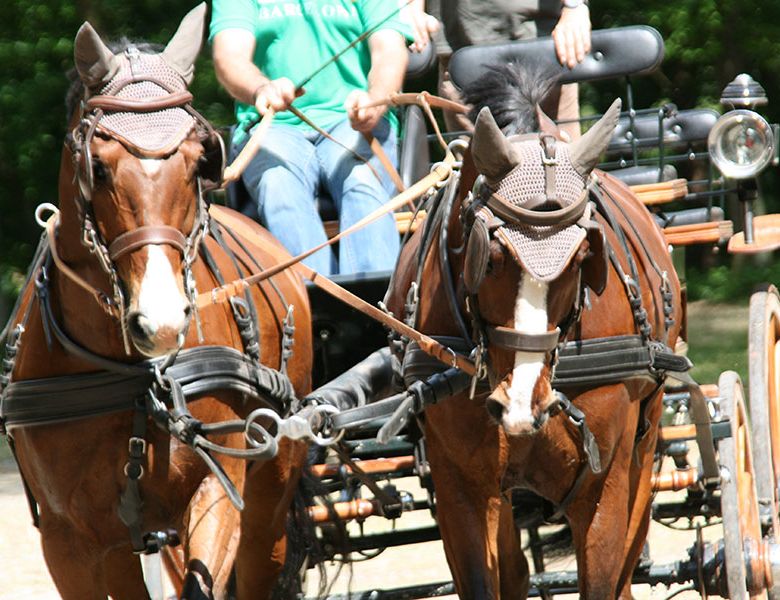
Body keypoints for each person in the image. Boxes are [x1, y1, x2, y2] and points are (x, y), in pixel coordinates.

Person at [210, 1, 414, 275]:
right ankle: (318, 306)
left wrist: (374, 101)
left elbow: (389, 51)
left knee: (361, 181)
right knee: (279, 186)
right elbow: (229, 58)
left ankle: (376, 307)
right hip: (273, 127)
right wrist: (261, 88)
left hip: (353, 122)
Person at [421, 0, 592, 139]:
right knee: (473, 174)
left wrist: (574, 7)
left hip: (544, 52)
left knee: (562, 168)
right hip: (463, 55)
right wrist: (413, 9)